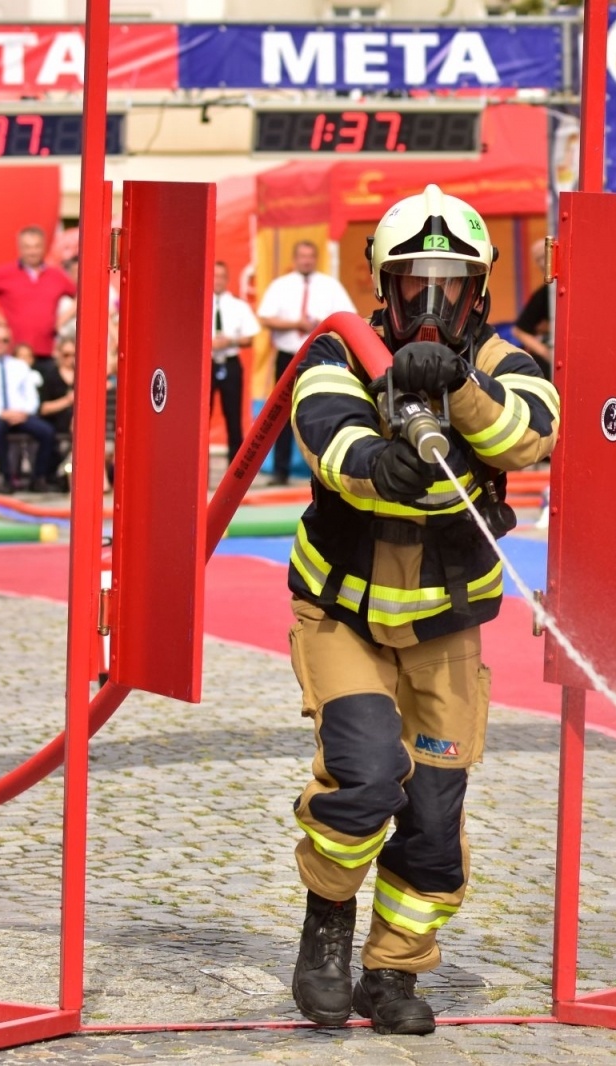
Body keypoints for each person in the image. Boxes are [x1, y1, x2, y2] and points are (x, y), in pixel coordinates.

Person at [285, 184, 559, 1036]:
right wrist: (379, 460)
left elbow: (530, 436)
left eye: (452, 282)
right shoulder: (341, 353)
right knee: (368, 777)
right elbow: (326, 432)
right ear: (384, 284)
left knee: (435, 822)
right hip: (346, 621)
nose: (432, 302)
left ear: (481, 289)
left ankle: (391, 974)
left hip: (445, 631)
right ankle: (327, 922)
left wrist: (463, 389)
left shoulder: (509, 366)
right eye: (414, 282)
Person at [257, 240, 357, 485]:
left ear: (315, 258)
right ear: (295, 258)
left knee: (321, 409)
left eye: (310, 256)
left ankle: (322, 472)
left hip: (318, 355)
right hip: (288, 354)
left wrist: (322, 327)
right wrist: (295, 324)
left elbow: (348, 316)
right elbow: (265, 318)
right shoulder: (281, 286)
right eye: (302, 256)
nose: (306, 261)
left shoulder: (330, 286)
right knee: (281, 413)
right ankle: (280, 471)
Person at [0, 226, 77, 374]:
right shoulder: (5, 272)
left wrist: (61, 321)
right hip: (14, 352)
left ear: (43, 247)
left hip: (46, 351)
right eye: (27, 247)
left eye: (36, 246)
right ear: (20, 248)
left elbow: (81, 298)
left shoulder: (56, 275)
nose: (32, 251)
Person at [0, 325, 59, 492]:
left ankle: (39, 478)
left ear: (10, 342)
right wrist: (2, 413)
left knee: (47, 431)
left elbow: (31, 397)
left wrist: (23, 412)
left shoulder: (19, 366)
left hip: (20, 414)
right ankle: (7, 478)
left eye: (4, 340)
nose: (0, 344)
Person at [211, 261, 261, 463]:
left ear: (227, 279)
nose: (218, 281)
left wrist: (230, 340)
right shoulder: (198, 302)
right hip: (208, 362)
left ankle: (234, 469)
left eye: (222, 276)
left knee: (233, 417)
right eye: (214, 276)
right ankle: (199, 472)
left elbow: (250, 337)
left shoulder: (238, 306)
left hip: (230, 362)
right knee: (201, 418)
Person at [510, 238, 552, 379]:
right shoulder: (544, 293)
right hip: (549, 363)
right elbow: (519, 331)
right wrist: (546, 353)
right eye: (538, 259)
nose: (542, 262)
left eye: (545, 256)